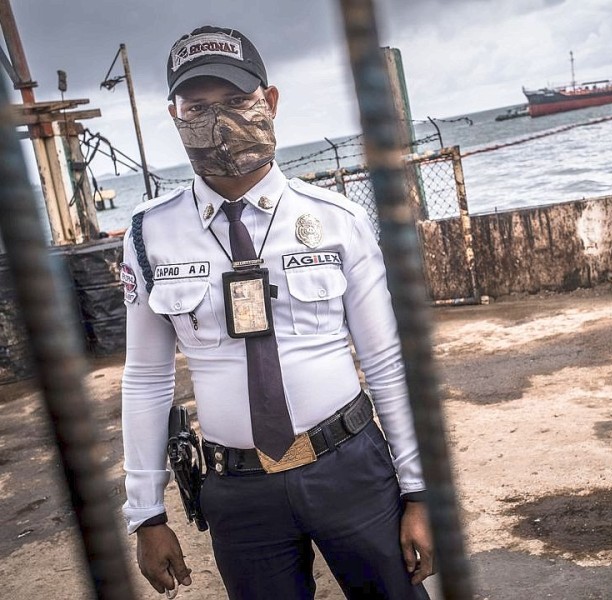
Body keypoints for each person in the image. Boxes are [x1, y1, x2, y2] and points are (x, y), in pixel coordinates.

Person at [120, 25, 433, 599]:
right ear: (173, 114)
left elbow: (386, 360)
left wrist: (419, 492)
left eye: (238, 101)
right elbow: (145, 379)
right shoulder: (149, 235)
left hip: (350, 468)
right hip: (238, 491)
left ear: (270, 101)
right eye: (197, 107)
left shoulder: (337, 220)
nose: (218, 120)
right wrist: (146, 513)